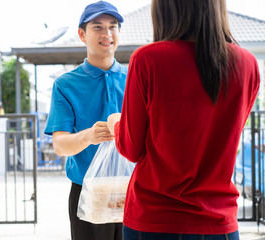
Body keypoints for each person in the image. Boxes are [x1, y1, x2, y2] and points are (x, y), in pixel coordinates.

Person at [107, 0, 260, 239]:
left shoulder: (147, 59)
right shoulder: (247, 64)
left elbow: (131, 148)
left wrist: (116, 124)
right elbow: (228, 140)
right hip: (219, 222)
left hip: (154, 219)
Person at [44, 1, 127, 239]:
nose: (107, 33)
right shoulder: (65, 85)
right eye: (98, 27)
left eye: (113, 26)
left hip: (133, 190)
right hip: (88, 191)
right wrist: (90, 135)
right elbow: (60, 146)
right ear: (82, 34)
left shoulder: (135, 79)